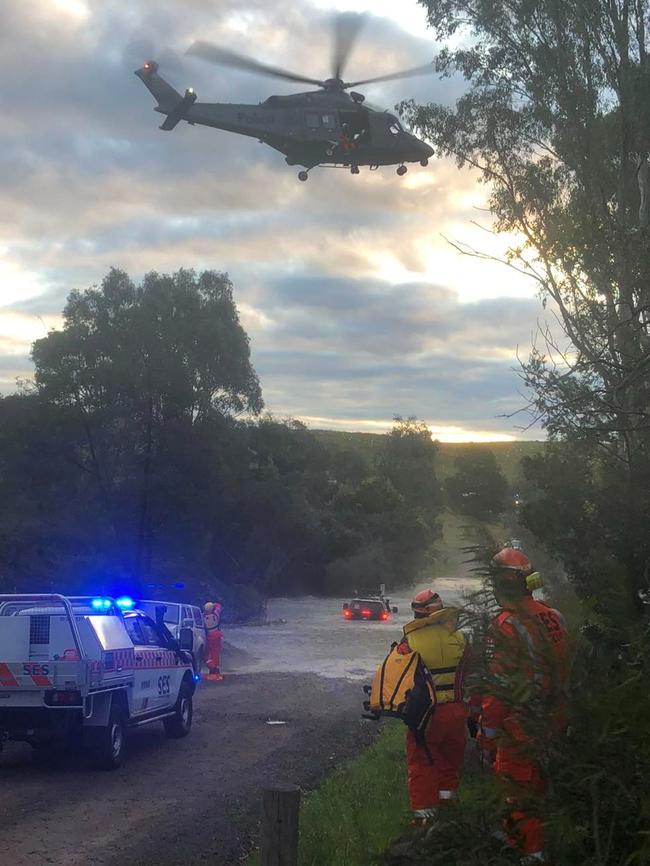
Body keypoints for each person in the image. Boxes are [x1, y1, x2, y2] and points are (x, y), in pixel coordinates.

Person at [476, 547, 569, 863]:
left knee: (518, 796)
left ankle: (530, 855)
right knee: (543, 791)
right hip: (555, 719)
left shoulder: (506, 625)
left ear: (501, 583)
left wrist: (486, 736)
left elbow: (498, 690)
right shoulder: (554, 616)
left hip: (520, 728)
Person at [400, 589, 469, 824]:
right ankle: (449, 809)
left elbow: (400, 679)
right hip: (457, 711)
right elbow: (470, 674)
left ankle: (424, 817)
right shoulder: (460, 637)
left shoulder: (409, 642)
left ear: (417, 612)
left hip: (427, 714)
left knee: (422, 761)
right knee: (449, 761)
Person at [204, 600, 223, 682]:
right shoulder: (216, 614)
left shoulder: (203, 617)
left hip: (209, 636)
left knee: (208, 654)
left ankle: (212, 668)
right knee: (216, 653)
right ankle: (215, 669)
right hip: (217, 634)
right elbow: (219, 606)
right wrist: (214, 604)